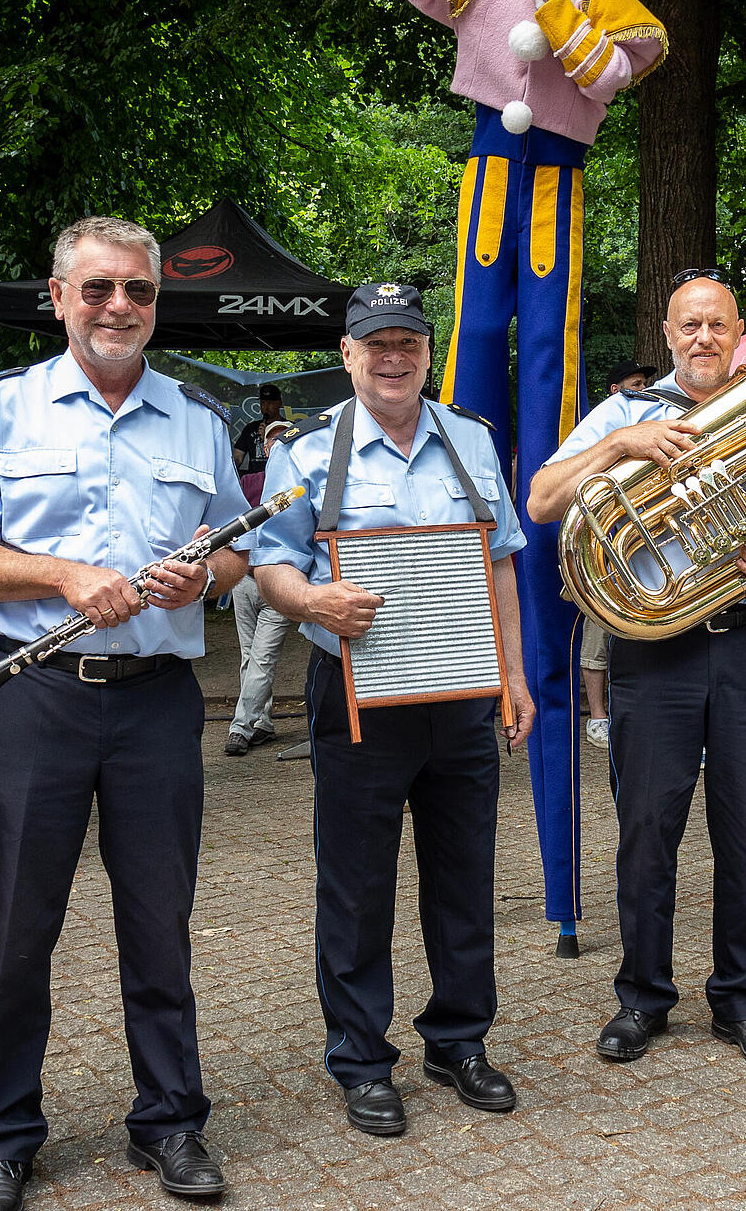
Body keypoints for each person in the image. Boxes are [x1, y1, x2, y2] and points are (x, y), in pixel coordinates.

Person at [0, 216, 247, 1209]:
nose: (119, 308)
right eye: (98, 289)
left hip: (156, 704)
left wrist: (208, 579)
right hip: (39, 700)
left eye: (137, 293)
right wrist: (62, 574)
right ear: (59, 298)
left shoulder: (195, 416)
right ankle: (3, 1135)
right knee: (19, 928)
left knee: (161, 925)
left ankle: (171, 1122)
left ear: (155, 303)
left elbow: (231, 544)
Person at [384, 0, 669, 947]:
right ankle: (462, 476)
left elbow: (599, 74)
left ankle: (562, 899)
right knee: (475, 335)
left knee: (547, 351)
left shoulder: (627, 13)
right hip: (488, 169)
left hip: (557, 179)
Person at [244, 281, 535, 1137]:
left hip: (462, 691)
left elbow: (503, 566)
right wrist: (314, 603)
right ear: (348, 355)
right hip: (358, 699)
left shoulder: (472, 443)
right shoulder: (307, 453)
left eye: (407, 340)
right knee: (358, 886)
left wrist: (515, 679)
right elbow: (269, 567)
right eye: (376, 343)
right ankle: (362, 1059)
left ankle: (459, 1040)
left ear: (427, 351)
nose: (393, 357)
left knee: (463, 875)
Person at [526, 271, 746, 1071]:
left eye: (716, 325)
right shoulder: (625, 412)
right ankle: (642, 998)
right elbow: (545, 499)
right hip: (655, 649)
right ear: (667, 332)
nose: (702, 339)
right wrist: (620, 446)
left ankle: (743, 1001)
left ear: (737, 330)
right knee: (648, 831)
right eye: (689, 325)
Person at [580, 361, 656, 748]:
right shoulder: (606, 427)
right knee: (597, 642)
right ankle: (597, 716)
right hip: (609, 556)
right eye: (635, 384)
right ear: (615, 391)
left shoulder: (663, 416)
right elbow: (543, 500)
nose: (644, 388)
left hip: (655, 557)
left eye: (646, 383)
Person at [225, 418, 296, 758]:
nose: (277, 444)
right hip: (243, 581)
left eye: (284, 438)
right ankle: (263, 723)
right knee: (248, 656)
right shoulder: (246, 482)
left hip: (279, 586)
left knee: (262, 658)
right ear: (265, 448)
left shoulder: (301, 484)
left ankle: (240, 726)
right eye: (272, 440)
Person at [231, 382, 287, 475]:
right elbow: (237, 457)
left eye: (270, 403)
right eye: (263, 403)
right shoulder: (250, 428)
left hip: (279, 478)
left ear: (279, 404)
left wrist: (266, 436)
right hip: (255, 480)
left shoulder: (287, 427)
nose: (266, 407)